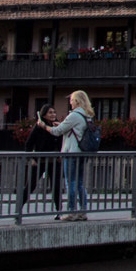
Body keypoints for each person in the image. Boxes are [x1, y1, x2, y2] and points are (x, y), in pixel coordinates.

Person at [50, 89, 95, 220]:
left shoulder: (74, 115)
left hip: (71, 153)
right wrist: (63, 125)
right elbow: (75, 129)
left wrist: (44, 126)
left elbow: (57, 131)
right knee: (80, 182)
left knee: (71, 182)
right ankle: (82, 211)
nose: (70, 104)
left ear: (76, 101)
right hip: (82, 153)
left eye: (71, 101)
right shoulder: (87, 115)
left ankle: (71, 211)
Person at [19, 105, 63, 212]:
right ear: (44, 115)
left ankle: (59, 211)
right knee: (31, 185)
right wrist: (31, 159)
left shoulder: (57, 126)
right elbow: (29, 144)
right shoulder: (38, 127)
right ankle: (18, 208)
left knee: (56, 186)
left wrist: (61, 154)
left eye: (54, 112)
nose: (53, 115)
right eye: (50, 113)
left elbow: (62, 141)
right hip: (40, 161)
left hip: (54, 160)